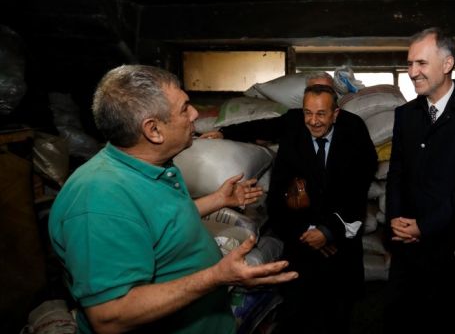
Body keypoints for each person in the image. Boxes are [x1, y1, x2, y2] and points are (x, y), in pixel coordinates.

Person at [48, 64, 298, 334]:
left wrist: (217, 200)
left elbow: (158, 222)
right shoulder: (98, 199)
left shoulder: (154, 168)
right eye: (184, 108)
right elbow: (110, 316)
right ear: (153, 130)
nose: (195, 114)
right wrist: (216, 277)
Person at [384, 27, 455, 333]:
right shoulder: (405, 114)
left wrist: (425, 227)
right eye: (409, 63)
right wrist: (395, 218)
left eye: (421, 63)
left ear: (447, 63)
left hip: (448, 249)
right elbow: (396, 172)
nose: (412, 72)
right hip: (406, 248)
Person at [266, 83, 377, 333]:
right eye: (308, 113)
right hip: (301, 248)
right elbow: (276, 199)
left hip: (341, 251)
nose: (313, 121)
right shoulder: (292, 138)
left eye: (321, 114)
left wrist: (328, 232)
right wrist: (307, 233)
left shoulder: (352, 135)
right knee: (298, 319)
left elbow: (357, 194)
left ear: (335, 114)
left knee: (337, 318)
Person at [199, 72, 340, 143]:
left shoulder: (348, 125)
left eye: (325, 91)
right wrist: (224, 133)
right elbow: (261, 127)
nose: (319, 96)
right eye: (313, 91)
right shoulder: (294, 119)